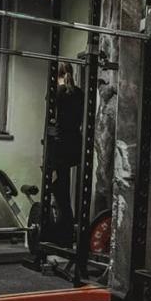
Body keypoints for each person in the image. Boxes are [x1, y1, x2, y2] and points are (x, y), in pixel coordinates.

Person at [46, 62, 84, 248]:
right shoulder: (79, 93)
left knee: (58, 190)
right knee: (63, 189)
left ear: (56, 75)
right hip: (74, 145)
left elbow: (52, 123)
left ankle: (63, 236)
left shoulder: (56, 93)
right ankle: (65, 234)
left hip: (59, 147)